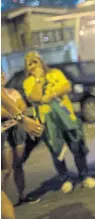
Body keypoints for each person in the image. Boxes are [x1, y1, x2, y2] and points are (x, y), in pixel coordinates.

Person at [23, 51, 95, 194]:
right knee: (57, 151)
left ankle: (85, 176)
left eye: (35, 62)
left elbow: (66, 87)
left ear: (41, 62)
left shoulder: (55, 73)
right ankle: (65, 179)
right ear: (27, 68)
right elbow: (35, 97)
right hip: (47, 122)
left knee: (76, 146)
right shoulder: (28, 82)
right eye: (30, 64)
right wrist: (39, 80)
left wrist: (51, 94)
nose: (33, 66)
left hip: (67, 118)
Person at [1, 85, 44, 219]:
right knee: (6, 170)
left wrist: (22, 119)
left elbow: (19, 106)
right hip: (5, 132)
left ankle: (21, 195)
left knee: (18, 165)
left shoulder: (11, 92)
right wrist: (20, 118)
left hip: (15, 131)